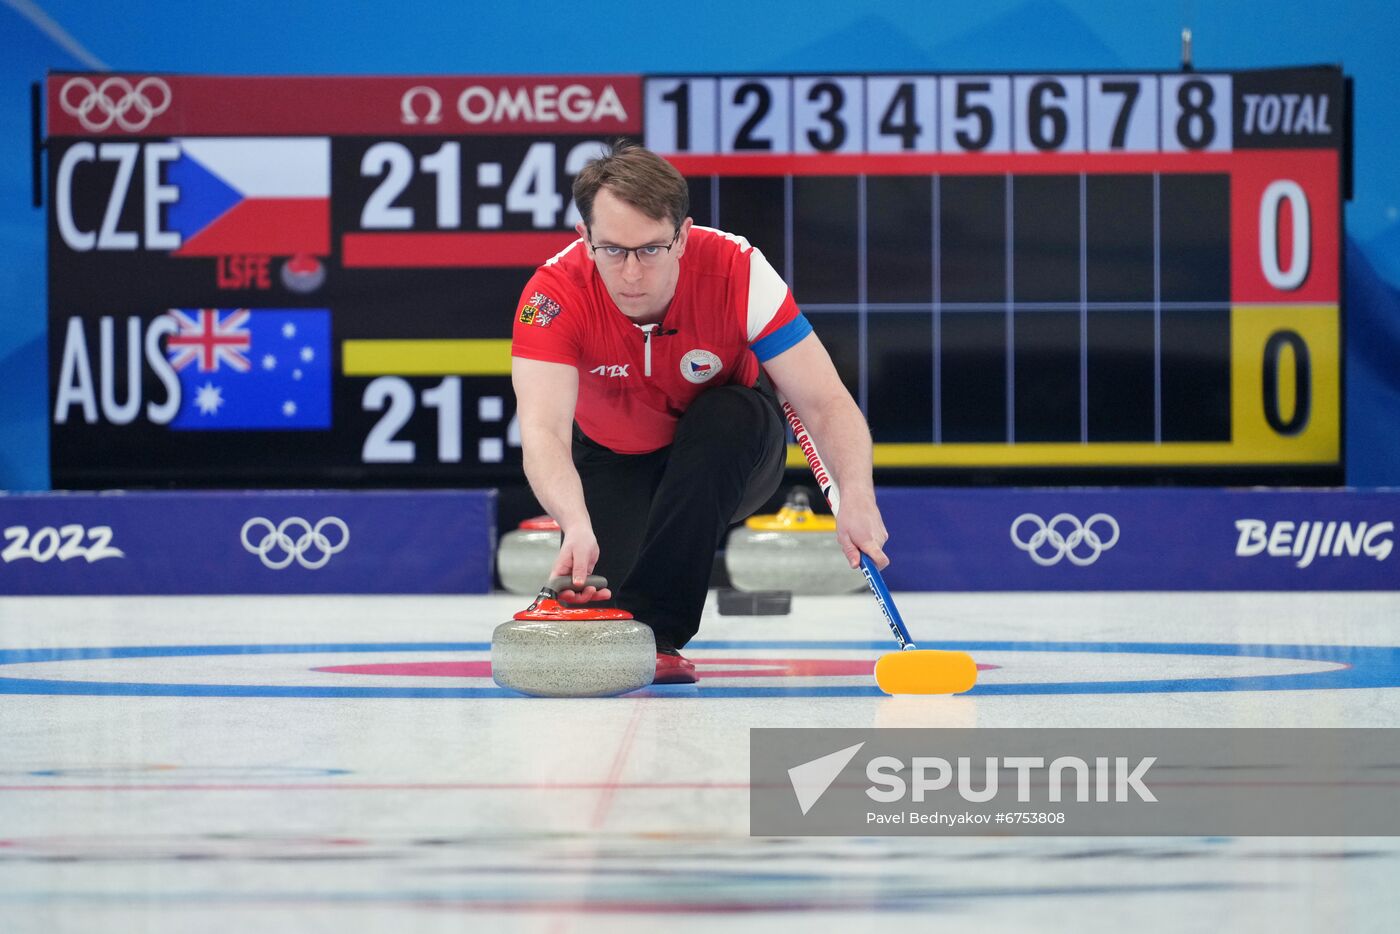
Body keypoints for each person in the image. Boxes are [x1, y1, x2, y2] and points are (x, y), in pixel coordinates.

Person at [510, 140, 888, 684]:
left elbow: (826, 403)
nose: (632, 273)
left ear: (683, 236)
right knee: (601, 606)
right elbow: (544, 431)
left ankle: (661, 635)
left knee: (727, 414)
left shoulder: (738, 269)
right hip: (616, 459)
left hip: (731, 453)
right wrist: (574, 522)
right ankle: (632, 608)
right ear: (584, 238)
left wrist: (858, 497)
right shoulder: (551, 297)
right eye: (612, 250)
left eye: (651, 249)